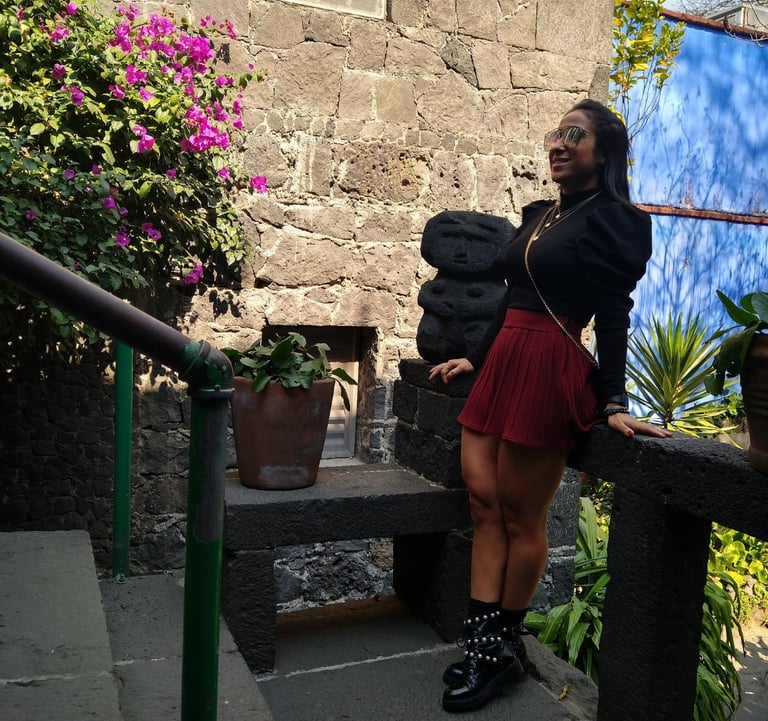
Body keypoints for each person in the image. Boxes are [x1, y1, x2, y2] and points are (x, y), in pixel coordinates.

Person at [428, 98, 673, 713]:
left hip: (547, 363)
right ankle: (486, 645)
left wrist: (613, 399)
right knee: (483, 504)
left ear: (603, 150)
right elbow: (511, 296)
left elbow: (613, 313)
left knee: (520, 515)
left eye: (574, 134)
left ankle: (497, 650)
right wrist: (476, 358)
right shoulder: (542, 214)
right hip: (504, 362)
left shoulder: (615, 220)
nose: (558, 144)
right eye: (555, 134)